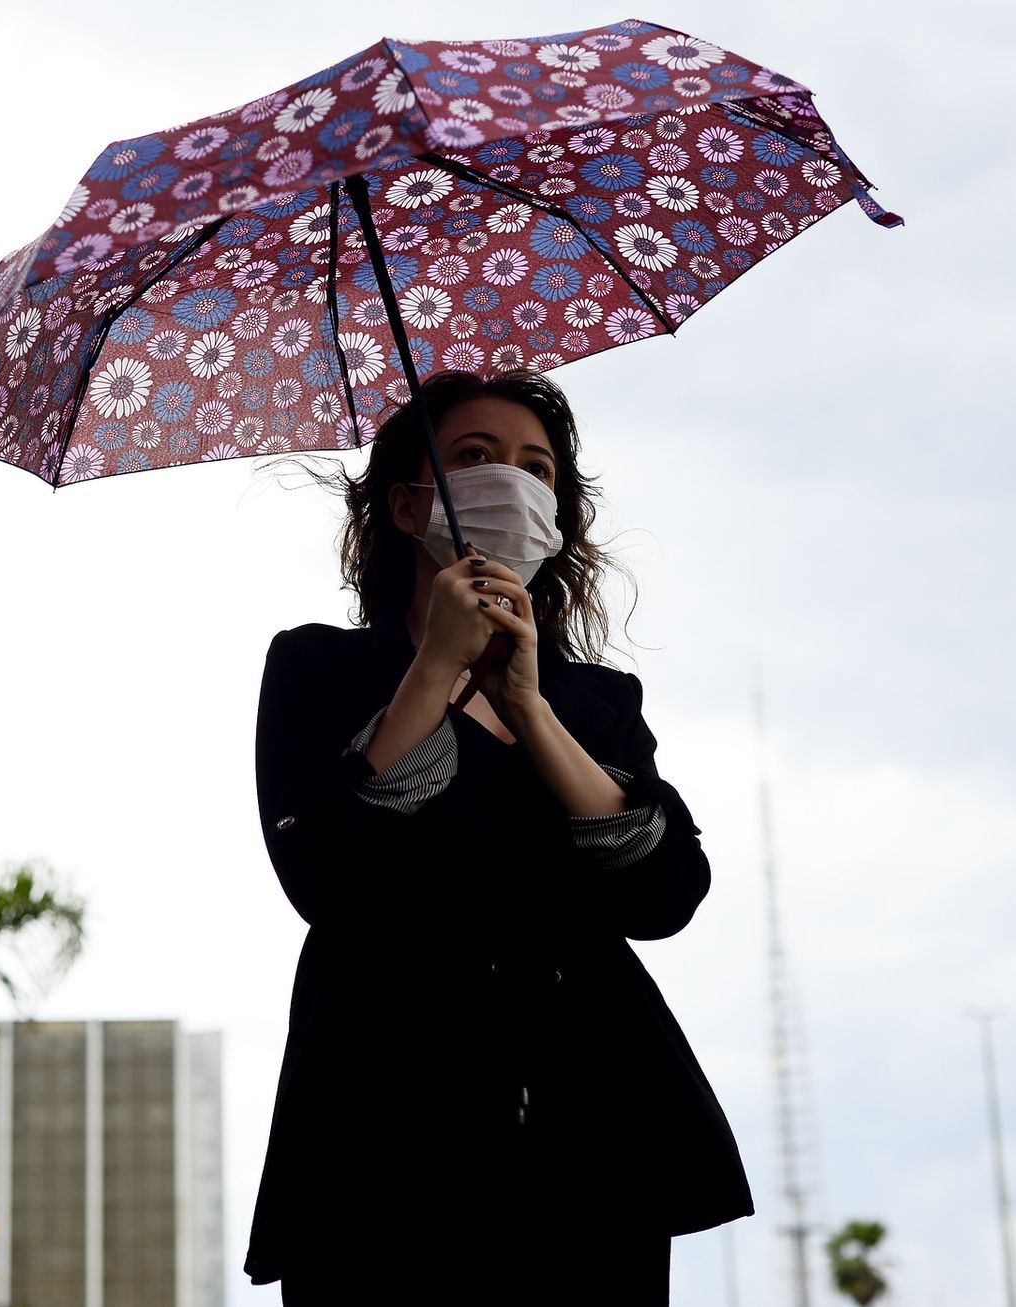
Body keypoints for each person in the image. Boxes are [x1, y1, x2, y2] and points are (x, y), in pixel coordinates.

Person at [245, 369, 754, 1305]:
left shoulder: (598, 699)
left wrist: (527, 702)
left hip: (595, 1135)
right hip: (378, 1134)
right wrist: (436, 666)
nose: (511, 482)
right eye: (474, 458)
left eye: (536, 466)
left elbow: (665, 894)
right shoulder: (319, 664)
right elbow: (325, 872)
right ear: (406, 504)